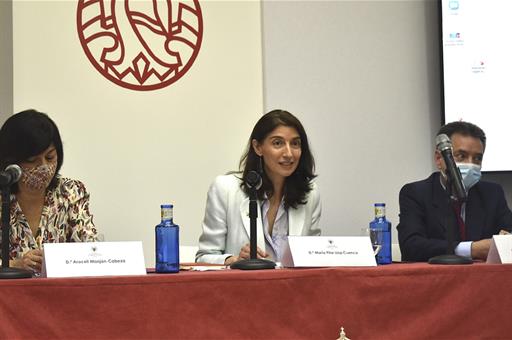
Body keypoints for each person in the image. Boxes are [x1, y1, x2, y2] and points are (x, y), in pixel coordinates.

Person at [196, 109, 321, 264]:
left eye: (295, 143)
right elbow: (204, 257)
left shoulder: (310, 193)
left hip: (292, 287)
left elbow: (314, 257)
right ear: (258, 147)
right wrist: (235, 260)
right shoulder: (225, 188)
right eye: (278, 143)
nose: (289, 153)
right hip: (243, 286)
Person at [397, 121, 512, 262]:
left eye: (477, 158)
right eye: (461, 156)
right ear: (439, 159)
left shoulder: (492, 194)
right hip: (436, 280)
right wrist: (471, 249)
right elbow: (411, 247)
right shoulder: (416, 193)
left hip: (483, 280)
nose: (471, 164)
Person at [0, 109, 98, 272]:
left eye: (50, 157)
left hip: (59, 294)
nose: (44, 167)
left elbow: (90, 251)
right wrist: (14, 265)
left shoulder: (71, 191)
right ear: (11, 161)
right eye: (32, 160)